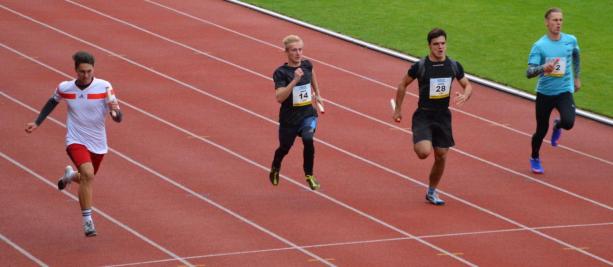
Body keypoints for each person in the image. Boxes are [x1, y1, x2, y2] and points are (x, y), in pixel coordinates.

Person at [25, 51, 122, 237]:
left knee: (87, 176)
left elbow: (117, 112)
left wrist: (116, 115)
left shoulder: (104, 86)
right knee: (87, 173)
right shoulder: (65, 88)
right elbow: (52, 102)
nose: (86, 75)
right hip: (75, 139)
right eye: (82, 71)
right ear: (75, 70)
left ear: (94, 69)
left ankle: (69, 176)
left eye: (89, 71)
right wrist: (37, 122)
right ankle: (88, 222)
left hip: (98, 142)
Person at [393, 28, 473, 205]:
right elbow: (402, 85)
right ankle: (420, 137)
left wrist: (466, 95)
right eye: (436, 44)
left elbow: (467, 85)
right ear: (429, 45)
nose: (440, 47)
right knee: (423, 152)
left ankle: (431, 191)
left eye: (443, 43)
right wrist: (398, 109)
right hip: (424, 115)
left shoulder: (453, 65)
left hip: (443, 116)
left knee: (441, 155)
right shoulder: (420, 66)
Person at [526, 7, 580, 174]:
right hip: (545, 93)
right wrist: (543, 68)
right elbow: (528, 72)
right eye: (555, 20)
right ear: (547, 23)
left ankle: (558, 125)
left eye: (560, 20)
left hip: (564, 91)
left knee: (569, 122)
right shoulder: (539, 46)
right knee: (541, 130)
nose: (558, 23)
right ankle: (534, 156)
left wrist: (577, 76)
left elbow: (577, 55)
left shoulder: (570, 40)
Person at [268, 35, 324, 190]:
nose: (298, 53)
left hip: (307, 114)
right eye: (294, 50)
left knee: (308, 138)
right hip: (289, 119)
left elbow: (312, 74)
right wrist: (294, 80)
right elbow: (279, 97)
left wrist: (318, 93)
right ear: (286, 52)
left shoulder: (307, 65)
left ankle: (309, 175)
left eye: (300, 49)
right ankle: (275, 167)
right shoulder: (281, 73)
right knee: (284, 148)